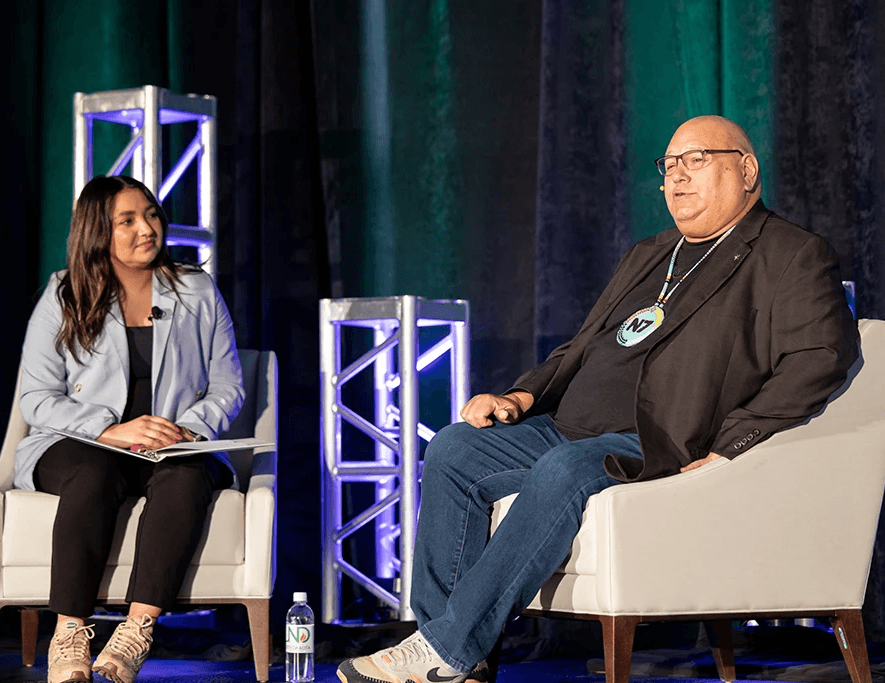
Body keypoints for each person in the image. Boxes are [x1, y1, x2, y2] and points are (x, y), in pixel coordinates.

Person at [336, 115, 859, 683]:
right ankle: (456, 658)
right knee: (455, 448)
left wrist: (735, 442)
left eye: (697, 159)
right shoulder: (650, 253)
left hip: (658, 437)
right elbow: (583, 346)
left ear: (747, 169)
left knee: (563, 469)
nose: (677, 178)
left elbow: (822, 357)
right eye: (668, 166)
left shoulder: (789, 253)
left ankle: (444, 648)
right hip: (567, 423)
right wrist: (520, 394)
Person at [14, 175, 245, 683]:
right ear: (99, 231)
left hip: (172, 445)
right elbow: (35, 397)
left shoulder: (196, 289)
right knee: (92, 476)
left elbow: (228, 385)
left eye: (152, 215)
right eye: (128, 220)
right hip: (80, 444)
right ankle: (70, 632)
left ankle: (137, 631)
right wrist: (107, 429)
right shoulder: (63, 293)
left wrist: (185, 430)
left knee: (186, 480)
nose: (147, 228)